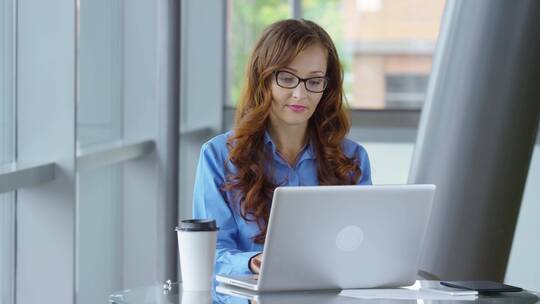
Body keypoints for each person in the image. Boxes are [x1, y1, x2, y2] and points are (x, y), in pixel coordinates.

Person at [192, 19, 372, 276]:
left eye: (314, 81)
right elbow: (208, 255)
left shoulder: (352, 158)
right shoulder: (219, 155)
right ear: (263, 79)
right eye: (287, 78)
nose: (300, 94)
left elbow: (364, 248)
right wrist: (252, 261)